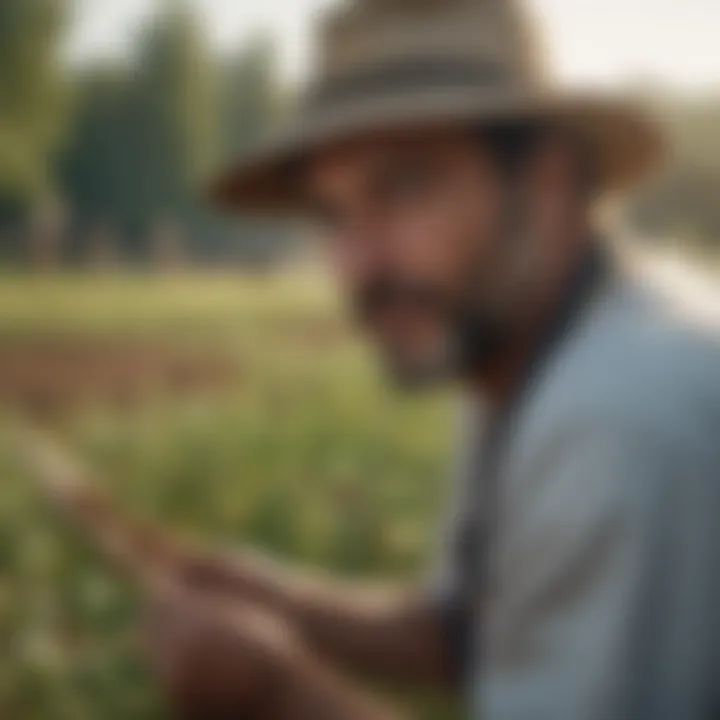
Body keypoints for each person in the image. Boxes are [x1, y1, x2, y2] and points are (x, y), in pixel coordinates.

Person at [135, 0, 720, 718]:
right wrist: (285, 602)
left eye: (405, 187)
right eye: (332, 215)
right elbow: (469, 629)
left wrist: (271, 693)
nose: (361, 264)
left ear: (549, 184)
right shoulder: (523, 347)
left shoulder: (617, 424)